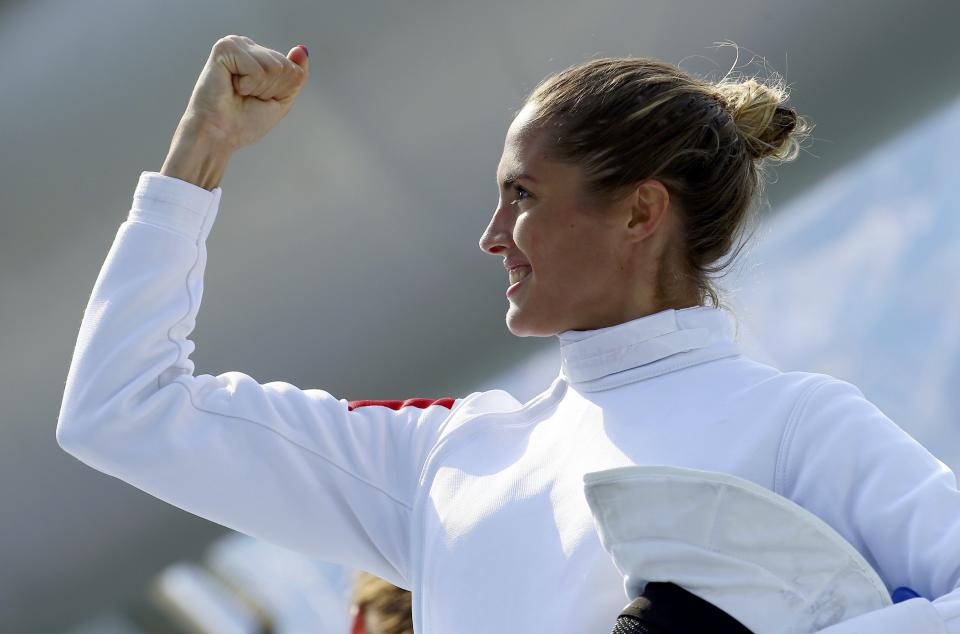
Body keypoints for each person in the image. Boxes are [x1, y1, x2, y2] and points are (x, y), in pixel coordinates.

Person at [55, 35, 960, 633]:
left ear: (641, 210)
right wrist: (199, 151)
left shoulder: (798, 422)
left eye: (520, 196)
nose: (489, 236)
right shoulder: (446, 458)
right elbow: (120, 410)